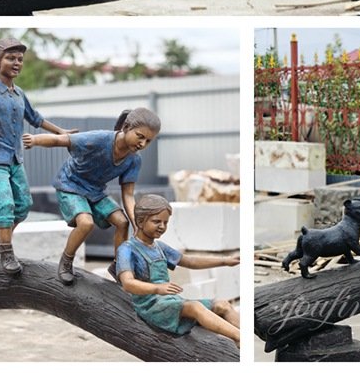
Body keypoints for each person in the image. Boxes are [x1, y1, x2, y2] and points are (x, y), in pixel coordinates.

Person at [0, 37, 75, 275]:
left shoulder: (19, 93)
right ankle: (7, 252)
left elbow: (36, 118)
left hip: (14, 158)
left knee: (23, 205)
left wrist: (61, 133)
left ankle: (1, 239)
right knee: (5, 204)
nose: (17, 63)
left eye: (20, 59)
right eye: (11, 58)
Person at [23, 107, 161, 285]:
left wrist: (137, 223)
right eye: (140, 136)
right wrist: (35, 140)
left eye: (148, 141)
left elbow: (128, 195)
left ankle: (120, 266)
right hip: (70, 185)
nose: (142, 144)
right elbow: (61, 140)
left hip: (95, 191)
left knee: (122, 222)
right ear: (126, 127)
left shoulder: (134, 160)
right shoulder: (98, 139)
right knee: (86, 223)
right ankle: (66, 261)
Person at [117, 194, 240, 346]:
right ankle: (239, 337)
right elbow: (127, 283)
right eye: (156, 221)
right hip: (150, 306)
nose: (162, 226)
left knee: (223, 305)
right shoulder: (127, 249)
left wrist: (225, 261)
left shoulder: (159, 247)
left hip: (170, 301)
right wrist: (157, 288)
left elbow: (189, 261)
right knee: (195, 307)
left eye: (165, 222)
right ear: (140, 221)